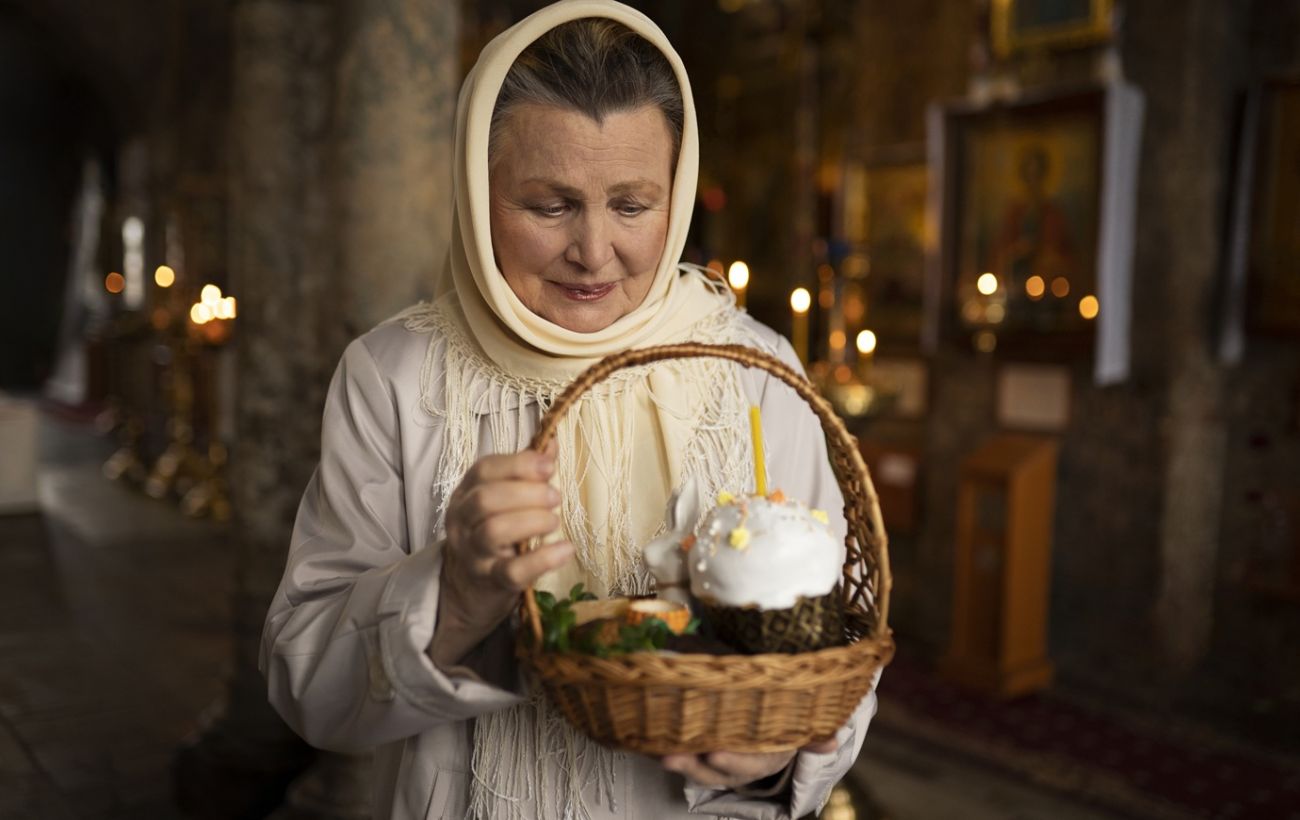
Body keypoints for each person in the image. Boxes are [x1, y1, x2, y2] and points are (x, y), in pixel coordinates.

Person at [260, 2, 879, 818]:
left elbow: (841, 655)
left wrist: (771, 756)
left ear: (679, 191)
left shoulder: (756, 372)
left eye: (632, 205)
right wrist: (452, 595)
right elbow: (306, 687)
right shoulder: (395, 376)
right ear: (477, 194)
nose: (593, 251)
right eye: (548, 206)